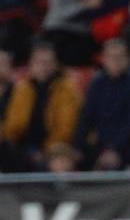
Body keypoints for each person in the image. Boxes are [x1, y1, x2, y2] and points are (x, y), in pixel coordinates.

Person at [1, 41, 81, 172]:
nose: (43, 67)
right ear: (31, 65)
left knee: (57, 160)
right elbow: (13, 124)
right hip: (24, 148)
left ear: (55, 64)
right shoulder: (22, 89)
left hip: (54, 148)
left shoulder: (67, 89)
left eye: (48, 62)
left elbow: (65, 129)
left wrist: (45, 151)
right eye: (38, 62)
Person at [74, 38, 130, 171]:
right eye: (111, 57)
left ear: (128, 59)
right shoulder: (96, 84)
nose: (115, 61)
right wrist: (77, 146)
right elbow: (86, 117)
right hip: (101, 143)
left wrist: (115, 149)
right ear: (104, 59)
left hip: (128, 145)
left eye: (120, 57)